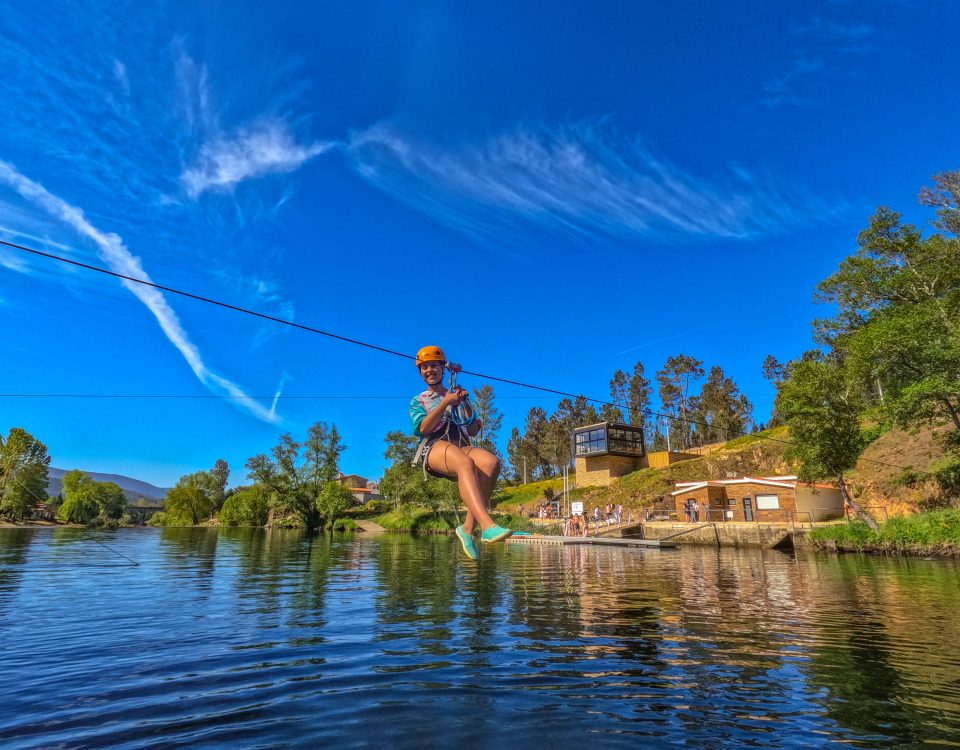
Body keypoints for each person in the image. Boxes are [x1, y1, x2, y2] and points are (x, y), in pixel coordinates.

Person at [410, 345, 511, 560]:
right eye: (425, 367)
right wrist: (445, 402)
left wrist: (463, 401)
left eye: (434, 366)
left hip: (461, 444)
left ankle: (466, 529)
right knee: (465, 463)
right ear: (420, 371)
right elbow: (423, 428)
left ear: (442, 369)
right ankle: (487, 526)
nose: (430, 370)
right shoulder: (418, 400)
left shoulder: (457, 396)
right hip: (434, 447)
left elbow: (472, 429)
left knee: (492, 463)